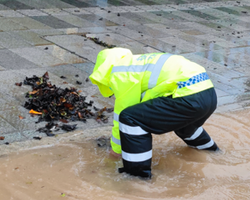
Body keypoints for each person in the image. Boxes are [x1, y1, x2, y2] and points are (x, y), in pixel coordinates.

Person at [89, 48, 219, 179]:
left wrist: (115, 152)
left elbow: (122, 113)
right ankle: (214, 153)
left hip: (188, 96)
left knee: (130, 119)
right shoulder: (137, 63)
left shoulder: (120, 73)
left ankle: (137, 177)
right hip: (208, 93)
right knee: (183, 123)